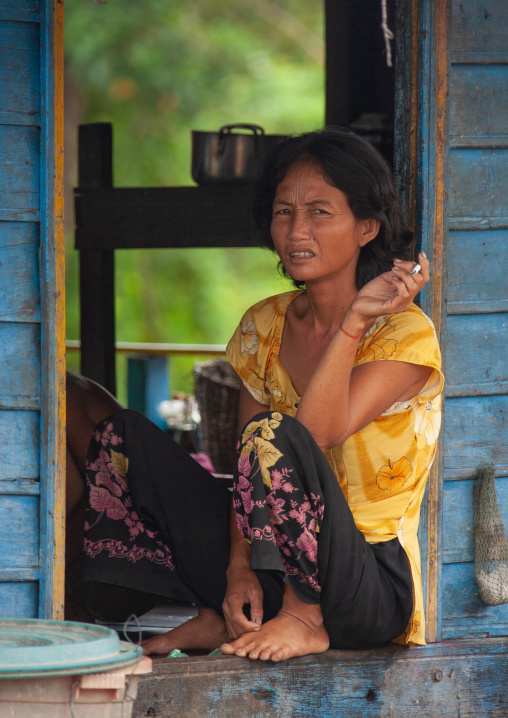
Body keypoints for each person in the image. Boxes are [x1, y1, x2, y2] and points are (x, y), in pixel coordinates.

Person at [66, 127, 443, 662]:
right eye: (284, 211)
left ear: (367, 228)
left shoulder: (404, 334)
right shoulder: (263, 324)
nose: (296, 230)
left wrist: (355, 318)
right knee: (122, 437)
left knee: (276, 432)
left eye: (319, 212)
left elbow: (313, 433)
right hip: (270, 564)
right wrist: (238, 567)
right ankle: (215, 615)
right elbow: (248, 466)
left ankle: (303, 617)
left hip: (366, 583)